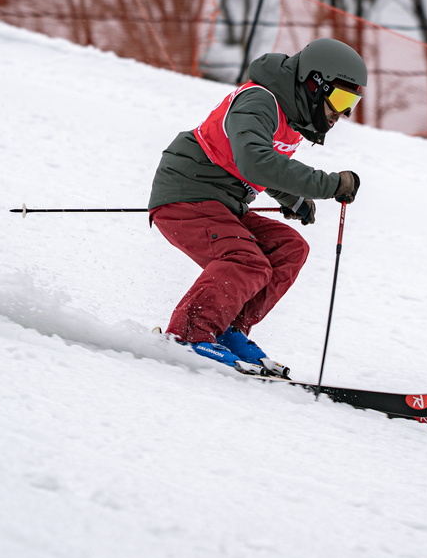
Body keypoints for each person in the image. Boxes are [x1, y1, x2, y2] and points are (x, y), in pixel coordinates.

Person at [148, 38, 365, 377]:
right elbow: (256, 162)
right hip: (186, 193)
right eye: (340, 99)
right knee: (245, 261)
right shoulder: (258, 101)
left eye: (352, 103)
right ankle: (189, 335)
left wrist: (292, 199)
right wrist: (330, 184)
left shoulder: (290, 117)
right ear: (314, 83)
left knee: (289, 248)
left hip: (223, 203)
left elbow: (262, 165)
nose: (343, 113)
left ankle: (227, 329)